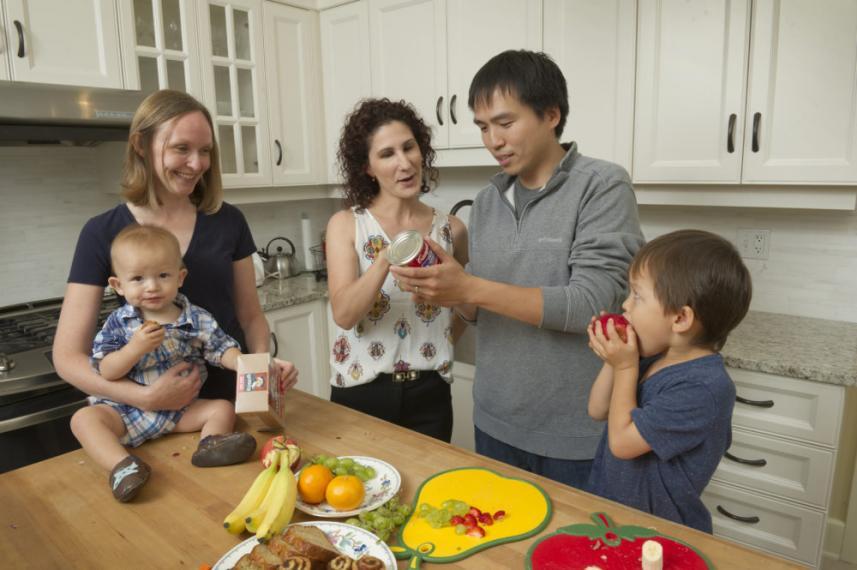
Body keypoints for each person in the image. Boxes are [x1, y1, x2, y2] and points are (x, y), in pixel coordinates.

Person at [390, 50, 644, 488]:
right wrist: (449, 293)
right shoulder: (487, 200)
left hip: (573, 435)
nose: (493, 141)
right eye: (483, 127)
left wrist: (468, 286)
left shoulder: (601, 185)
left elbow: (593, 303)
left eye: (505, 123)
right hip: (494, 423)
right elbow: (480, 309)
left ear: (550, 114)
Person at [53, 89, 298, 493]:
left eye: (205, 151)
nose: (197, 163)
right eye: (181, 148)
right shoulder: (100, 233)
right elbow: (67, 357)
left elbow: (250, 316)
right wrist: (145, 397)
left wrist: (260, 373)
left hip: (219, 415)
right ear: (141, 145)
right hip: (133, 410)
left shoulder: (228, 221)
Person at [71, 225, 267, 501]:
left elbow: (220, 348)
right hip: (127, 413)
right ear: (118, 285)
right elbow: (106, 370)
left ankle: (210, 445)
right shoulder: (119, 323)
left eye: (163, 275)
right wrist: (134, 349)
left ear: (180, 277)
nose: (151, 286)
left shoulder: (196, 317)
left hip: (181, 410)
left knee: (223, 408)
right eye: (137, 278)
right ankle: (123, 466)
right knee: (84, 420)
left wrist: (245, 363)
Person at [586, 229, 752, 532]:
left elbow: (622, 443)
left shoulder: (704, 389)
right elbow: (597, 409)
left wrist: (624, 368)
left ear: (680, 319)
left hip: (663, 534)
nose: (625, 305)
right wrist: (616, 360)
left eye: (637, 296)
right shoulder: (652, 357)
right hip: (614, 518)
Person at [325, 98, 468, 442]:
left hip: (430, 394)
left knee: (426, 494)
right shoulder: (347, 225)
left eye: (409, 148)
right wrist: (388, 256)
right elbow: (344, 315)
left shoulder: (452, 229)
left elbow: (466, 305)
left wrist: (439, 338)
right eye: (387, 154)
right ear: (367, 168)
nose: (404, 163)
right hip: (362, 391)